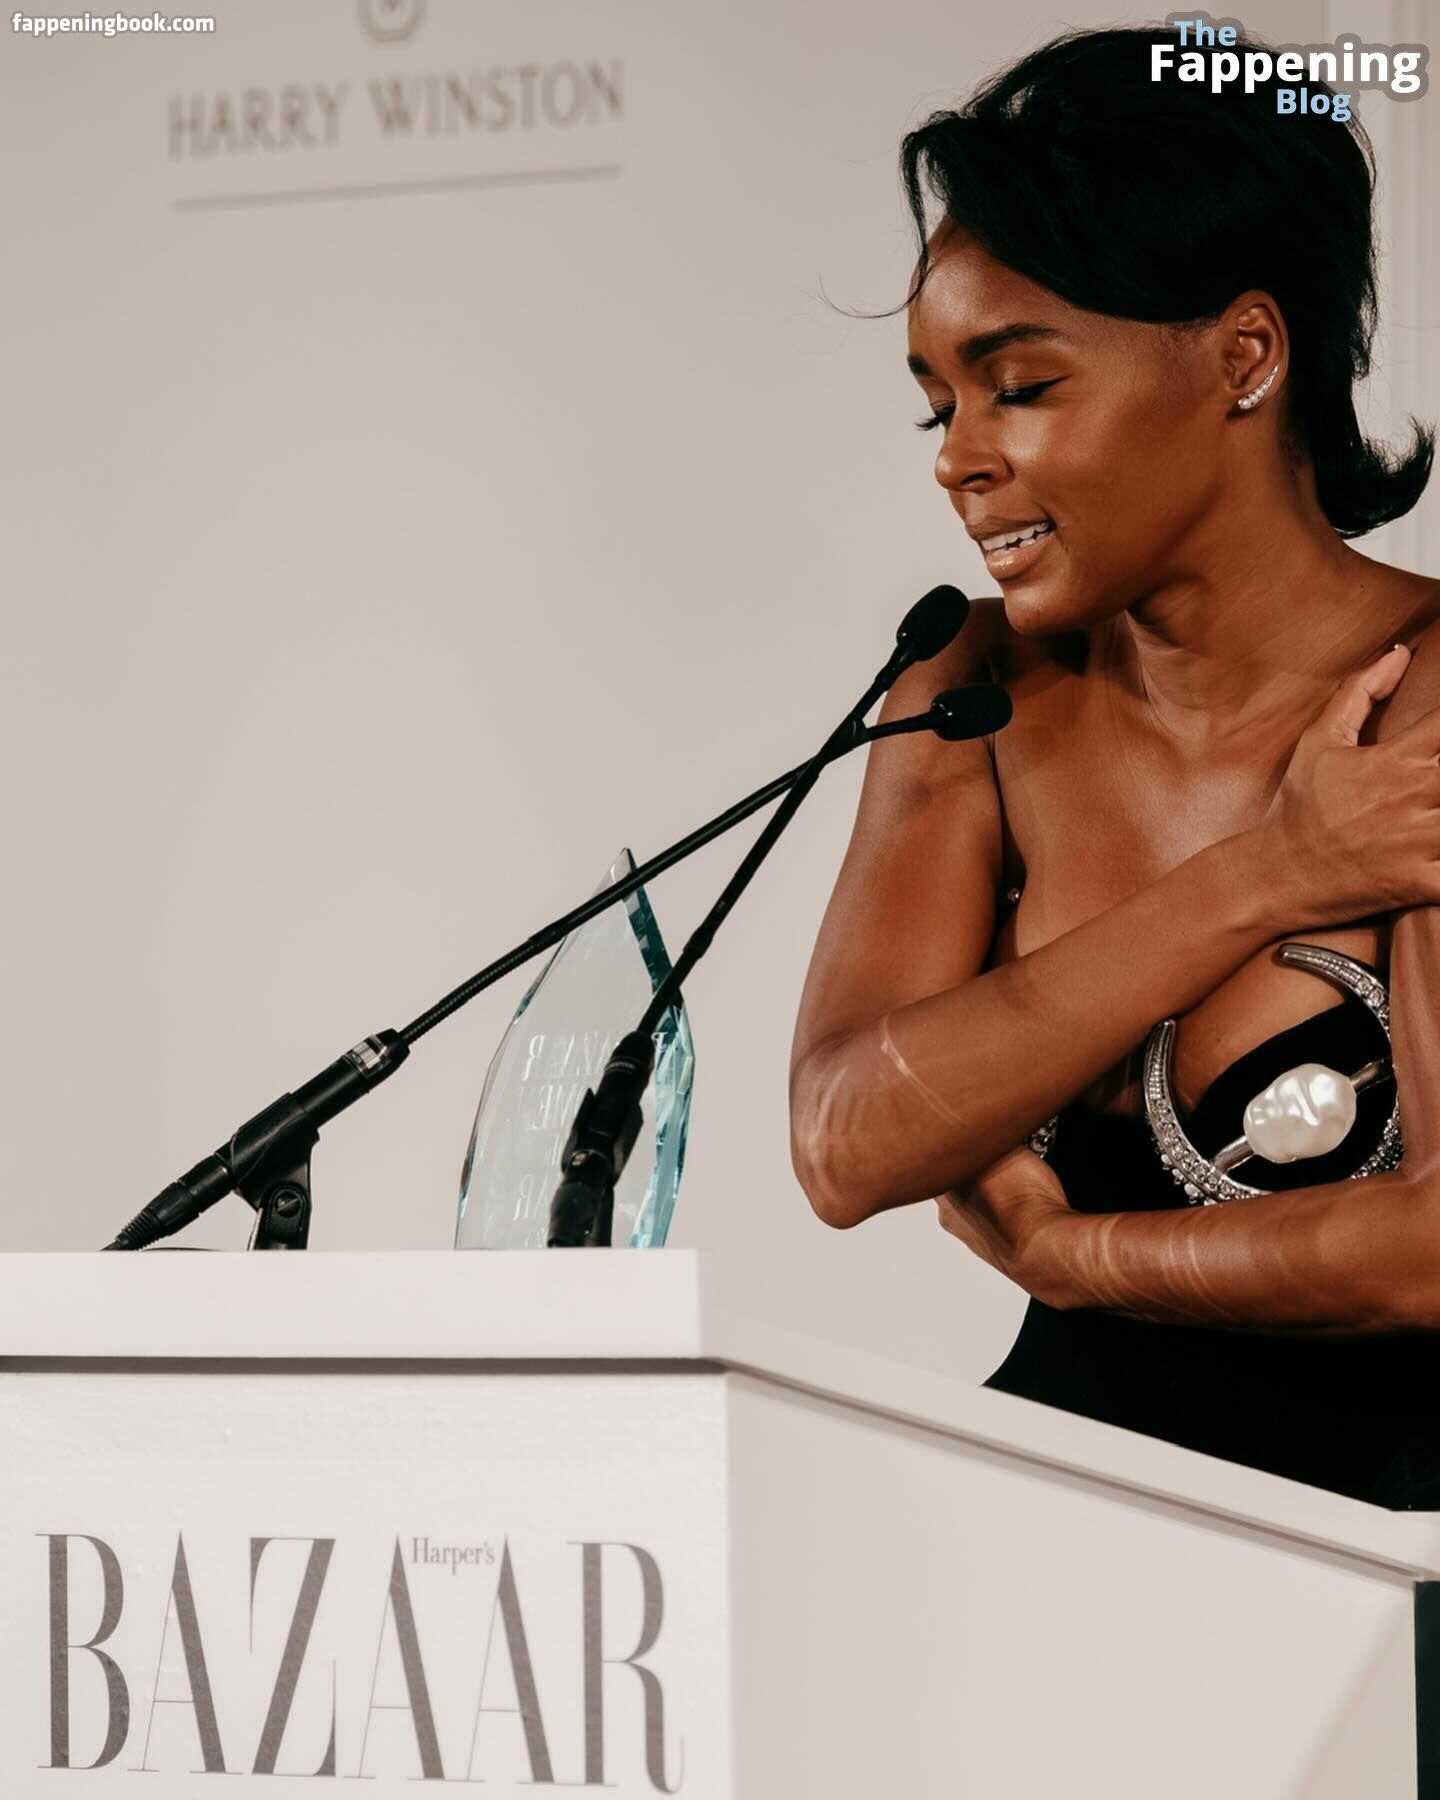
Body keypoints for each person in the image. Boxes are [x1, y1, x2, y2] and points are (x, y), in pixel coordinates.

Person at [788, 24, 1440, 1509]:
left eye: (1018, 387)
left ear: (1245, 356)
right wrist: (1271, 875)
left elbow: (1431, 1251)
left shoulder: (1428, 696)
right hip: (1050, 1535)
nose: (957, 456)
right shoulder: (968, 692)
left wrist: (1075, 1257)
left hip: (1383, 1558)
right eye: (937, 402)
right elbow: (844, 1141)